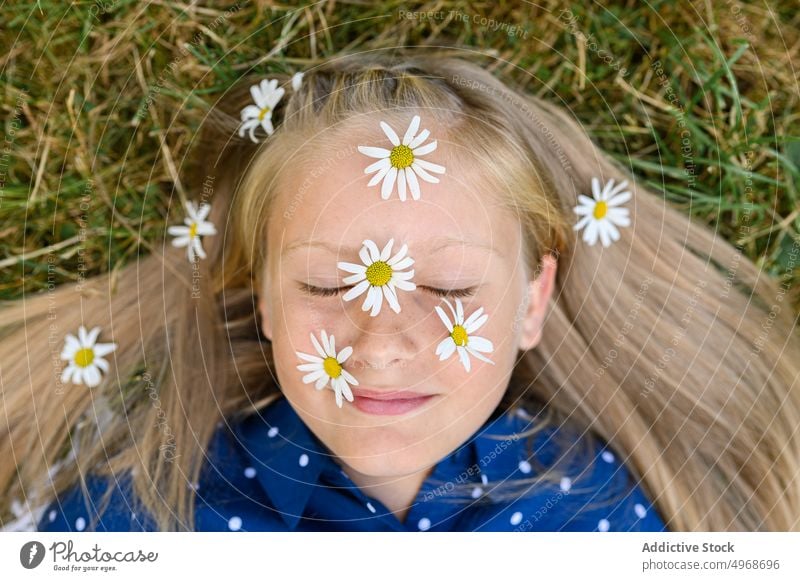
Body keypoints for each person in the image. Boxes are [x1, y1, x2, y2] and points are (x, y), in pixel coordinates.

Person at [3, 52, 799, 532]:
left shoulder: (607, 516)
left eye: (450, 286)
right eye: (324, 282)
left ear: (533, 300)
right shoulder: (136, 518)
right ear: (265, 299)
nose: (381, 342)